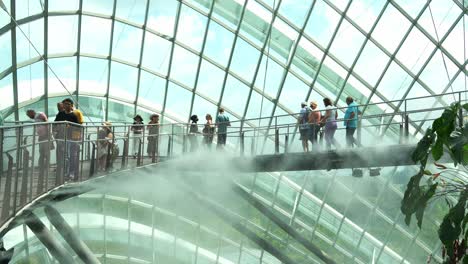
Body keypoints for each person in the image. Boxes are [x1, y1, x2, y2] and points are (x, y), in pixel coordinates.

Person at [26, 109, 51, 192]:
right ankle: (42, 164)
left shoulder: (39, 114)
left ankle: (46, 165)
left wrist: (49, 134)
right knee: (42, 151)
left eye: (29, 115)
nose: (29, 117)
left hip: (46, 136)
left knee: (46, 151)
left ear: (32, 112)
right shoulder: (36, 117)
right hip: (42, 136)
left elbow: (47, 122)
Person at [61, 98, 81, 181]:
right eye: (64, 104)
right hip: (65, 138)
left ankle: (71, 173)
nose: (66, 106)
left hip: (72, 139)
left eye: (68, 104)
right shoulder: (62, 114)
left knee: (71, 156)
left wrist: (76, 138)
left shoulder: (74, 114)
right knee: (68, 156)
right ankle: (68, 172)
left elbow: (78, 127)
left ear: (71, 105)